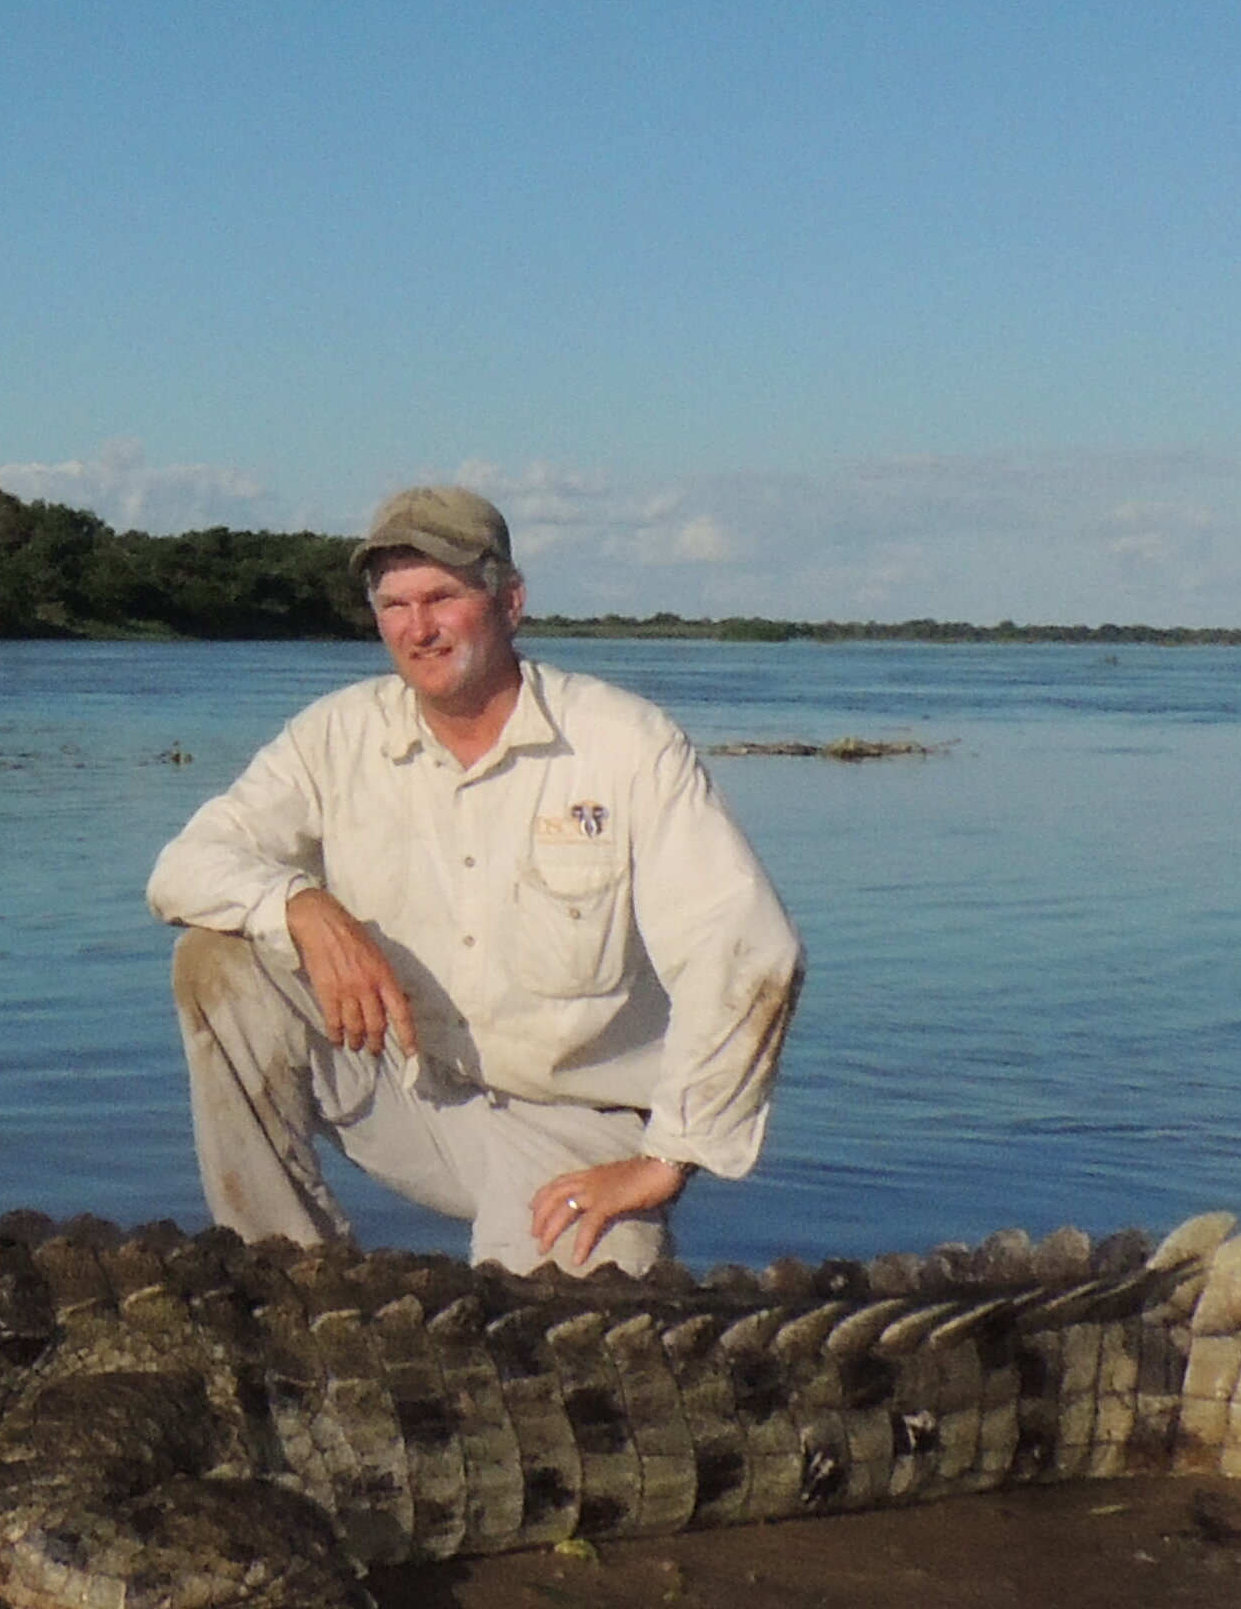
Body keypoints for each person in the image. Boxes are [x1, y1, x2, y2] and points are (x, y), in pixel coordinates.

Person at [148, 486, 801, 1277]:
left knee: (568, 1361)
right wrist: (300, 903)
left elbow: (750, 953)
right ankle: (283, 1276)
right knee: (216, 960)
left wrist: (671, 1155)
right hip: (406, 1090)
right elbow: (182, 867)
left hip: (576, 1128)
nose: (417, 628)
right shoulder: (336, 734)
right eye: (393, 604)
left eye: (442, 598)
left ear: (510, 602)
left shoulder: (627, 744)